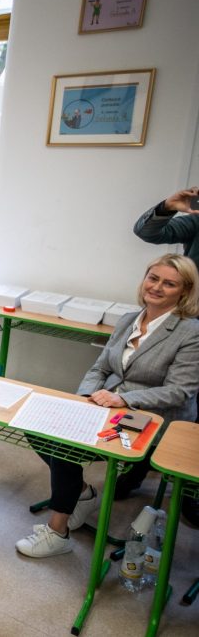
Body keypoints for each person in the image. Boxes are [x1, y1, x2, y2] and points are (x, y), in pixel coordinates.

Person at [16, 254, 199, 557]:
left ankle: (57, 532)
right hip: (107, 407)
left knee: (65, 446)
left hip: (153, 420)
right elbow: (99, 369)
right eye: (153, 278)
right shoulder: (130, 320)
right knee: (34, 424)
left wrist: (124, 399)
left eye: (169, 284)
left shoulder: (190, 332)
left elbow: (181, 391)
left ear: (184, 291)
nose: (156, 287)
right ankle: (82, 493)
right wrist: (85, 399)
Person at [133, 187, 199, 528]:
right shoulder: (196, 223)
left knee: (188, 404)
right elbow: (147, 231)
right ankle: (140, 463)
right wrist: (167, 207)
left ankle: (188, 485)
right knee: (159, 386)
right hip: (185, 317)